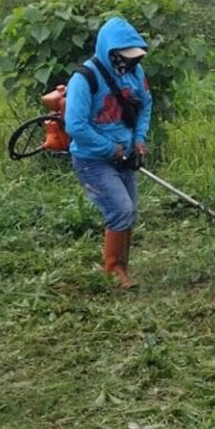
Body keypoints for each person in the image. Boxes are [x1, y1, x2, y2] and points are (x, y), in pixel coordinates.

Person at [64, 16, 153, 290]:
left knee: (131, 211)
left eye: (133, 57)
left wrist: (138, 139)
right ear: (110, 51)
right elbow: (75, 125)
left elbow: (146, 105)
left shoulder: (135, 74)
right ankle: (113, 271)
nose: (130, 61)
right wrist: (108, 148)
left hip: (125, 154)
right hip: (93, 159)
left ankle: (122, 266)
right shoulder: (85, 79)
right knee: (120, 209)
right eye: (124, 56)